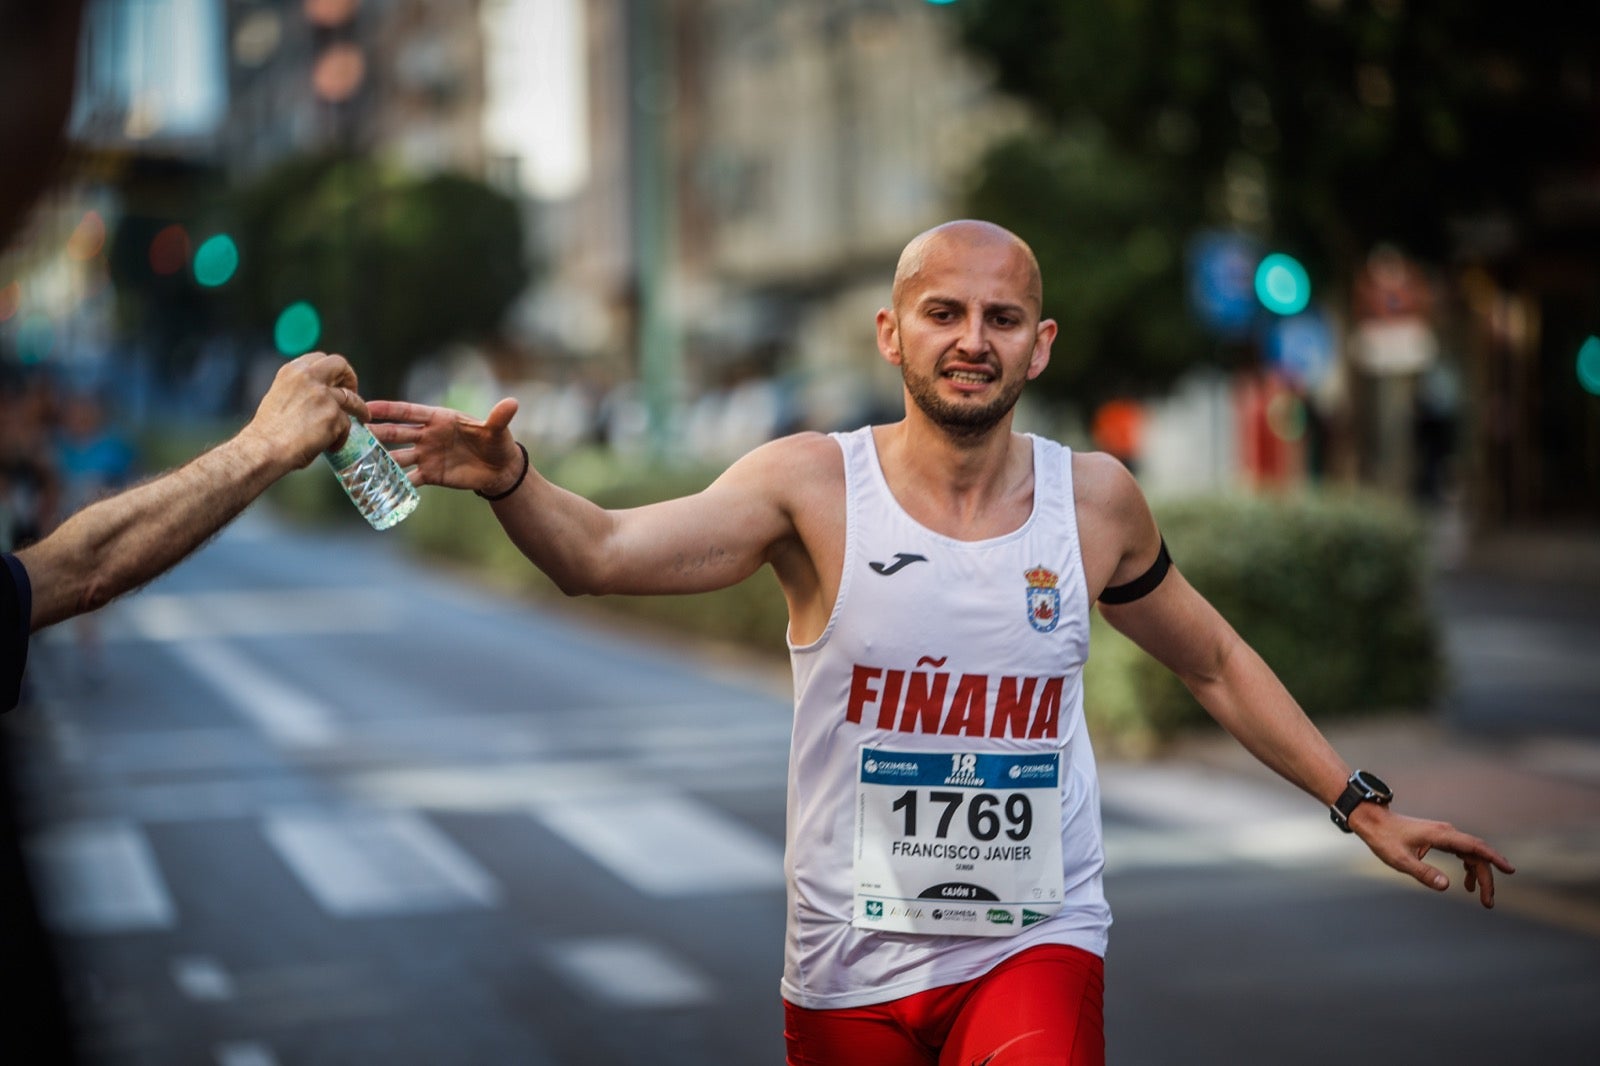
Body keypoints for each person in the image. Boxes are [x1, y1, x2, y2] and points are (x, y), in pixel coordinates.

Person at [369, 220, 1514, 1066]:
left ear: (1040, 346)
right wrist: (510, 478)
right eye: (943, 313)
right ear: (892, 333)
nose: (972, 339)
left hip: (1033, 937)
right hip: (843, 967)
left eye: (1001, 318)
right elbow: (602, 554)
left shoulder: (1097, 503)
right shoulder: (811, 487)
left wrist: (1360, 801)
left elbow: (1211, 659)